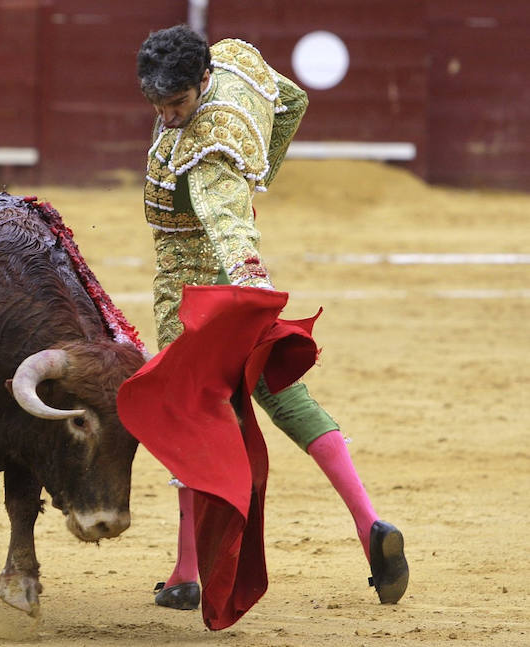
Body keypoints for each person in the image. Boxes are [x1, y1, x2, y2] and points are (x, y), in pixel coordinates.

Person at [133, 25, 409, 612]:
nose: (167, 115)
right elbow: (293, 103)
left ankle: (187, 571)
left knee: (188, 419)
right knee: (285, 398)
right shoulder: (234, 64)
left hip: (195, 296)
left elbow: (228, 222)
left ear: (202, 82)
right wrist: (258, 169)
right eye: (156, 103)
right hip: (231, 293)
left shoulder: (206, 156)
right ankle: (369, 524)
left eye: (177, 103)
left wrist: (248, 279)